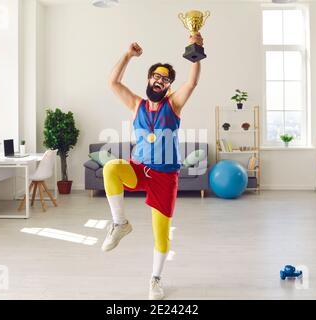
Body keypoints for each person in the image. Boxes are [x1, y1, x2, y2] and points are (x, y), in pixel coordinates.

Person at [102, 33, 203, 300]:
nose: (159, 81)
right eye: (156, 77)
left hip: (165, 177)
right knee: (111, 168)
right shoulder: (137, 105)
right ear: (149, 79)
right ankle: (119, 223)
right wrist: (127, 55)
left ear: (168, 86)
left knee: (161, 235)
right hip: (139, 170)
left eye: (165, 79)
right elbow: (113, 82)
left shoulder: (174, 105)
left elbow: (192, 82)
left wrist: (197, 49)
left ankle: (155, 279)